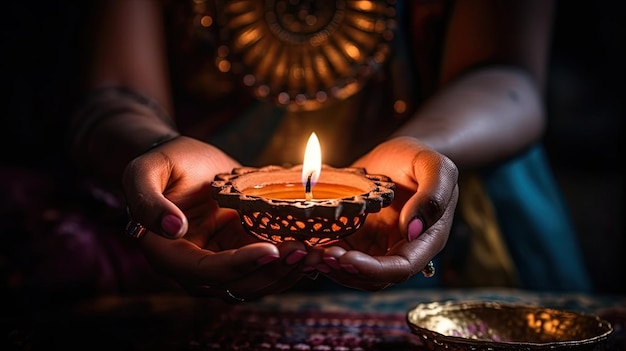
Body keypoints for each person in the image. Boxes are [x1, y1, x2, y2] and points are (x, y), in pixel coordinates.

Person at [60, 0, 591, 302]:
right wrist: (159, 154)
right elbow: (114, 92)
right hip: (205, 217)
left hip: (439, 214)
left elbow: (506, 75)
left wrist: (425, 151)